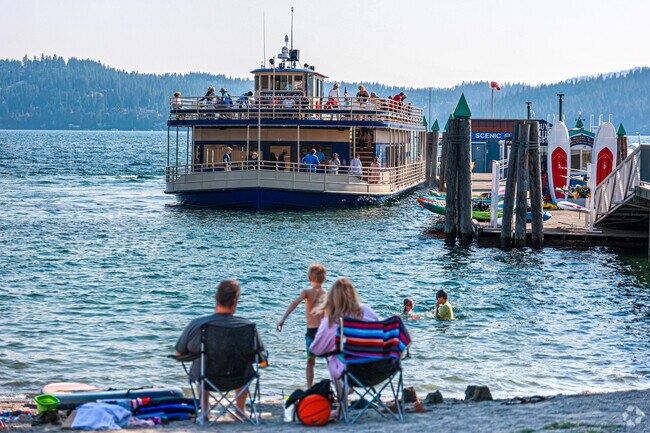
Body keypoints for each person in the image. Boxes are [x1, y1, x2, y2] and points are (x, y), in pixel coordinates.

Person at [175, 280, 266, 415]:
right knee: (244, 364)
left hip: (207, 378)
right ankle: (240, 410)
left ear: (215, 298)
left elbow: (178, 354)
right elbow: (260, 358)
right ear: (235, 302)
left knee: (200, 361)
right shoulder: (247, 327)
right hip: (239, 378)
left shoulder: (198, 324)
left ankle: (204, 410)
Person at [309, 278, 378, 413]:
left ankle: (342, 407)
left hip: (352, 373)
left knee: (332, 357)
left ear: (333, 297)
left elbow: (315, 349)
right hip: (378, 369)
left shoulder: (333, 319)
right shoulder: (368, 312)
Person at [276, 264, 328, 388]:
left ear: (310, 278)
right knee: (331, 361)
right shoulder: (327, 293)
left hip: (311, 332)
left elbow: (295, 303)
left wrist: (282, 320)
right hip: (323, 332)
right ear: (324, 279)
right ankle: (340, 385)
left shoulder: (307, 292)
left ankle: (309, 387)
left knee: (310, 362)